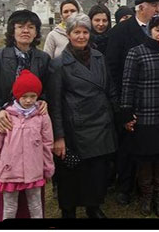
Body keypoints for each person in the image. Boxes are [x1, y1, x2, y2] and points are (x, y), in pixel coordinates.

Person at [0, 9, 52, 220]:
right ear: (12, 30)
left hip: (32, 131)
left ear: (36, 32)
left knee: (33, 186)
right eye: (20, 26)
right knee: (7, 182)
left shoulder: (42, 59)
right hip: (5, 129)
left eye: (31, 27)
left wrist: (44, 100)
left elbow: (48, 89)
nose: (25, 30)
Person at [47, 13, 118, 219]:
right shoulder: (59, 64)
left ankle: (93, 206)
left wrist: (118, 116)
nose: (81, 36)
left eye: (85, 32)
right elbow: (55, 104)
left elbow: (109, 88)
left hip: (100, 125)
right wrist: (58, 137)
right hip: (75, 128)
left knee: (97, 172)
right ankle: (68, 211)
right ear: (68, 35)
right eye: (76, 32)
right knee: (71, 174)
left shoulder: (99, 57)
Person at [105, 0, 159, 206]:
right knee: (127, 146)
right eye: (154, 5)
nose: (158, 9)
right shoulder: (121, 31)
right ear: (142, 7)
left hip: (154, 100)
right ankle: (125, 187)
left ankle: (147, 189)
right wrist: (121, 102)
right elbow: (112, 66)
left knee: (150, 145)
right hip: (128, 98)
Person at [120, 15, 159, 218]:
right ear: (150, 30)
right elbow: (128, 84)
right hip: (145, 115)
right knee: (145, 158)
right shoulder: (136, 53)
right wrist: (127, 112)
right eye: (157, 29)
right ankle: (146, 196)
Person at [0, 70, 55, 220]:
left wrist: (48, 168)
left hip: (33, 171)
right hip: (10, 171)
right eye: (25, 96)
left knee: (36, 206)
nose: (28, 100)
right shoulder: (7, 117)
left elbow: (48, 144)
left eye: (33, 96)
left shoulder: (42, 117)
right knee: (9, 207)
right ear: (17, 95)